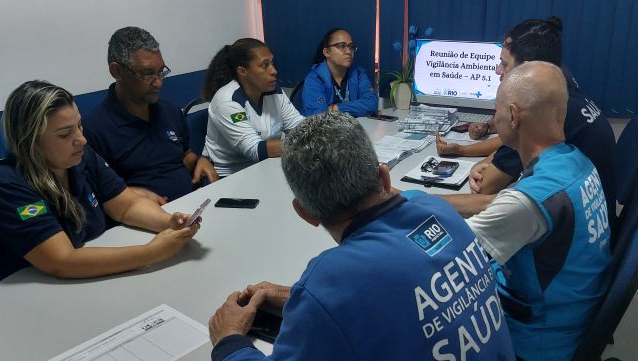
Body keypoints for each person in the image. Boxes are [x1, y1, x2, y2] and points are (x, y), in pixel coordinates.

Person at [207, 112, 515, 361]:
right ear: (384, 177)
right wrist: (301, 299)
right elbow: (397, 291)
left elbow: (364, 289)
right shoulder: (438, 209)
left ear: (306, 213)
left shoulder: (333, 277)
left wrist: (229, 341)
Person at [0, 81, 201, 318]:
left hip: (63, 291)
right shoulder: (6, 185)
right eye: (64, 134)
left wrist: (167, 222)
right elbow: (62, 261)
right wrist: (151, 252)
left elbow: (126, 205)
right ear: (30, 141)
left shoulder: (80, 157)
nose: (81, 139)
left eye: (79, 126)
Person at [465, 62, 612, 361]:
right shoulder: (578, 162)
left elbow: (448, 255)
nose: (494, 117)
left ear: (513, 116)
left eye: (496, 109)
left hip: (538, 339)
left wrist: (409, 201)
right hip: (572, 311)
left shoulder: (529, 201)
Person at [440, 17, 616, 224]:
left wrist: (410, 199)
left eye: (504, 64)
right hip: (592, 219)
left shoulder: (540, 110)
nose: (497, 70)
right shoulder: (560, 86)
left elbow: (485, 189)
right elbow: (509, 146)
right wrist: (484, 160)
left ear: (527, 70)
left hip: (572, 226)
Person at [83, 27, 218, 206]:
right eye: (147, 74)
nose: (158, 82)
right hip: (139, 222)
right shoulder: (95, 129)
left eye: (161, 71)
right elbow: (93, 195)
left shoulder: (169, 110)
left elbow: (184, 154)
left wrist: (199, 161)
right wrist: (127, 194)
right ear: (116, 71)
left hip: (191, 207)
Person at [196, 38, 304, 177]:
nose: (274, 71)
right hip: (231, 176)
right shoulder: (228, 101)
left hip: (267, 166)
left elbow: (299, 126)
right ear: (243, 71)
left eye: (272, 63)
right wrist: (306, 144)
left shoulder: (274, 91)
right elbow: (254, 149)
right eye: (265, 65)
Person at [300, 28, 378, 117]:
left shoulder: (358, 74)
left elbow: (372, 104)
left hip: (352, 128)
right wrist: (356, 108)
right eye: (341, 46)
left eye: (351, 46)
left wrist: (336, 108)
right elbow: (319, 116)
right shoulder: (315, 79)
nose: (349, 51)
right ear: (326, 52)